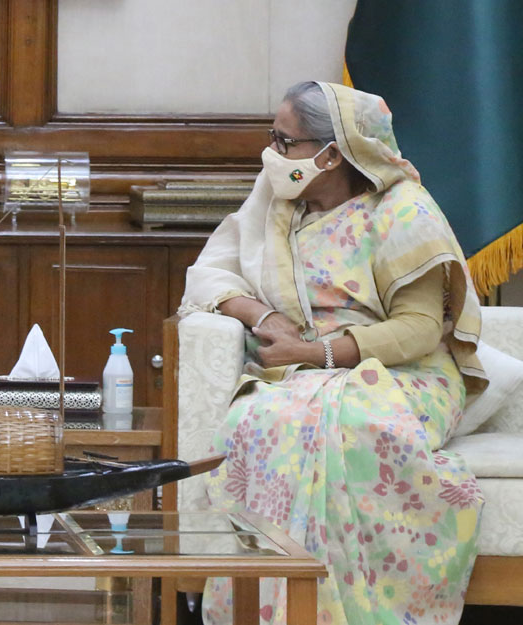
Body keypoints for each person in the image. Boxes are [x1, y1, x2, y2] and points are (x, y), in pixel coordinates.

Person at [181, 81, 486, 625]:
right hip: (301, 371)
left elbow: (419, 329)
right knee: (258, 419)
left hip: (401, 373)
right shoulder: (276, 201)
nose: (272, 152)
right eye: (273, 136)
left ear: (333, 152)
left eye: (286, 141)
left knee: (352, 424)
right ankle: (275, 609)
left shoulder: (402, 210)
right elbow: (209, 272)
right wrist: (263, 317)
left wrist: (316, 352)